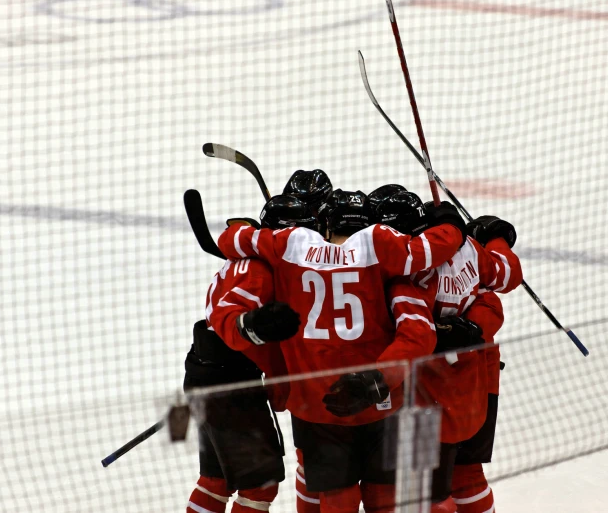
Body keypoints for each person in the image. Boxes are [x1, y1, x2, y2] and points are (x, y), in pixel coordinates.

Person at [215, 189, 468, 513]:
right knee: (386, 502)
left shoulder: (292, 242)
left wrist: (246, 231)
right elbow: (426, 253)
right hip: (380, 402)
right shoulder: (379, 243)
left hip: (320, 407)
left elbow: (233, 241)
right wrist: (449, 224)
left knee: (337, 502)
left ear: (327, 227)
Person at [371, 186, 522, 513]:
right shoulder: (469, 250)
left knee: (425, 490)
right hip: (476, 389)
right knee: (468, 477)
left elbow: (416, 335)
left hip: (426, 395)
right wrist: (493, 237)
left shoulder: (405, 277)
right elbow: (506, 278)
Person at [183, 195, 315, 513]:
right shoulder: (260, 273)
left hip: (204, 370)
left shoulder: (247, 258)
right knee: (260, 484)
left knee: (216, 479)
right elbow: (233, 320)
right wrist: (253, 326)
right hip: (234, 384)